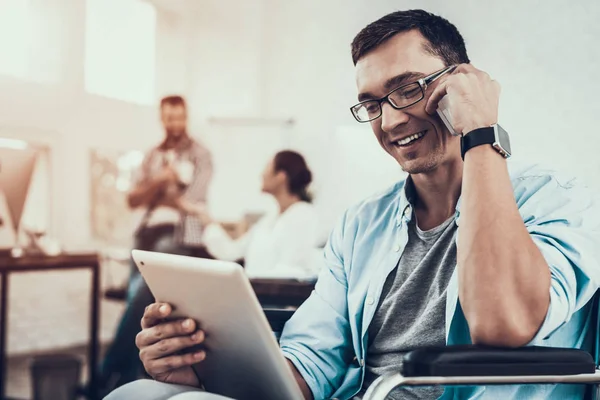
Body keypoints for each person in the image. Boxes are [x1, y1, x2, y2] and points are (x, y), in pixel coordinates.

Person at [106, 9, 600, 400]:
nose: (389, 121)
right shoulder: (363, 223)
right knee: (143, 392)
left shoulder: (558, 197)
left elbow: (502, 321)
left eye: (408, 89)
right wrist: (201, 370)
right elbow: (312, 360)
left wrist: (481, 133)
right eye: (372, 104)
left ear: (462, 83)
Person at [95, 95, 213, 395]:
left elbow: (191, 202)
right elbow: (132, 199)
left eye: (179, 117)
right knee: (141, 307)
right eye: (169, 118)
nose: (174, 123)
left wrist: (157, 190)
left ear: (186, 117)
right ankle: (128, 379)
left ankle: (106, 376)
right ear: (162, 118)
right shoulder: (151, 156)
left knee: (139, 299)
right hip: (145, 235)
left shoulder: (201, 154)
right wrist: (163, 178)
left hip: (178, 236)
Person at [183, 150, 320, 279]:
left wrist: (252, 283)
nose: (262, 174)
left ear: (281, 177)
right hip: (258, 295)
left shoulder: (303, 216)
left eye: (268, 167)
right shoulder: (268, 220)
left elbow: (292, 271)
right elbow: (231, 252)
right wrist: (207, 221)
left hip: (279, 300)